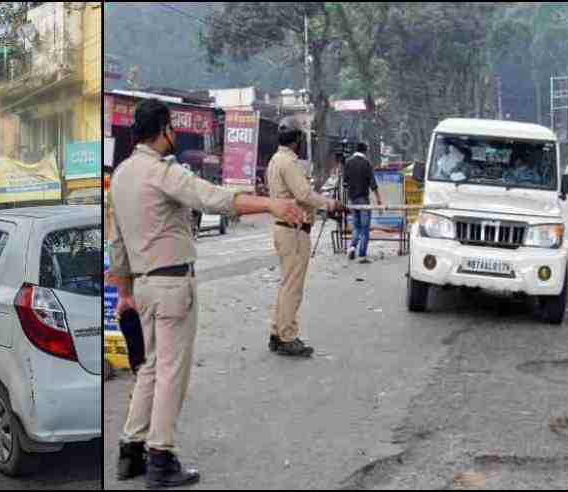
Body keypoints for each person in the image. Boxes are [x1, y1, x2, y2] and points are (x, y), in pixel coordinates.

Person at [109, 99, 305, 489]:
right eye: (171, 128)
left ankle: (130, 450)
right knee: (170, 372)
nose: (174, 134)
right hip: (171, 286)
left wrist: (125, 293)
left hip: (144, 288)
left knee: (149, 367)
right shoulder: (162, 173)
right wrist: (272, 204)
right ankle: (161, 458)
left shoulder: (122, 175)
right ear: (164, 129)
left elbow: (117, 246)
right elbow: (215, 198)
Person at [267, 116, 345, 358]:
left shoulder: (275, 160)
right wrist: (331, 204)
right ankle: (287, 336)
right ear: (298, 139)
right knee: (293, 287)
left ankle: (277, 333)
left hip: (284, 228)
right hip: (294, 231)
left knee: (286, 284)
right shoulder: (289, 163)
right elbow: (303, 194)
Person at [344, 142, 383, 263]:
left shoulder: (348, 162)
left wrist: (347, 199)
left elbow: (345, 183)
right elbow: (373, 184)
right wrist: (378, 199)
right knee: (365, 229)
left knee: (356, 226)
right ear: (365, 151)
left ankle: (352, 247)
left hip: (352, 200)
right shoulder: (366, 163)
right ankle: (362, 255)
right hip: (363, 199)